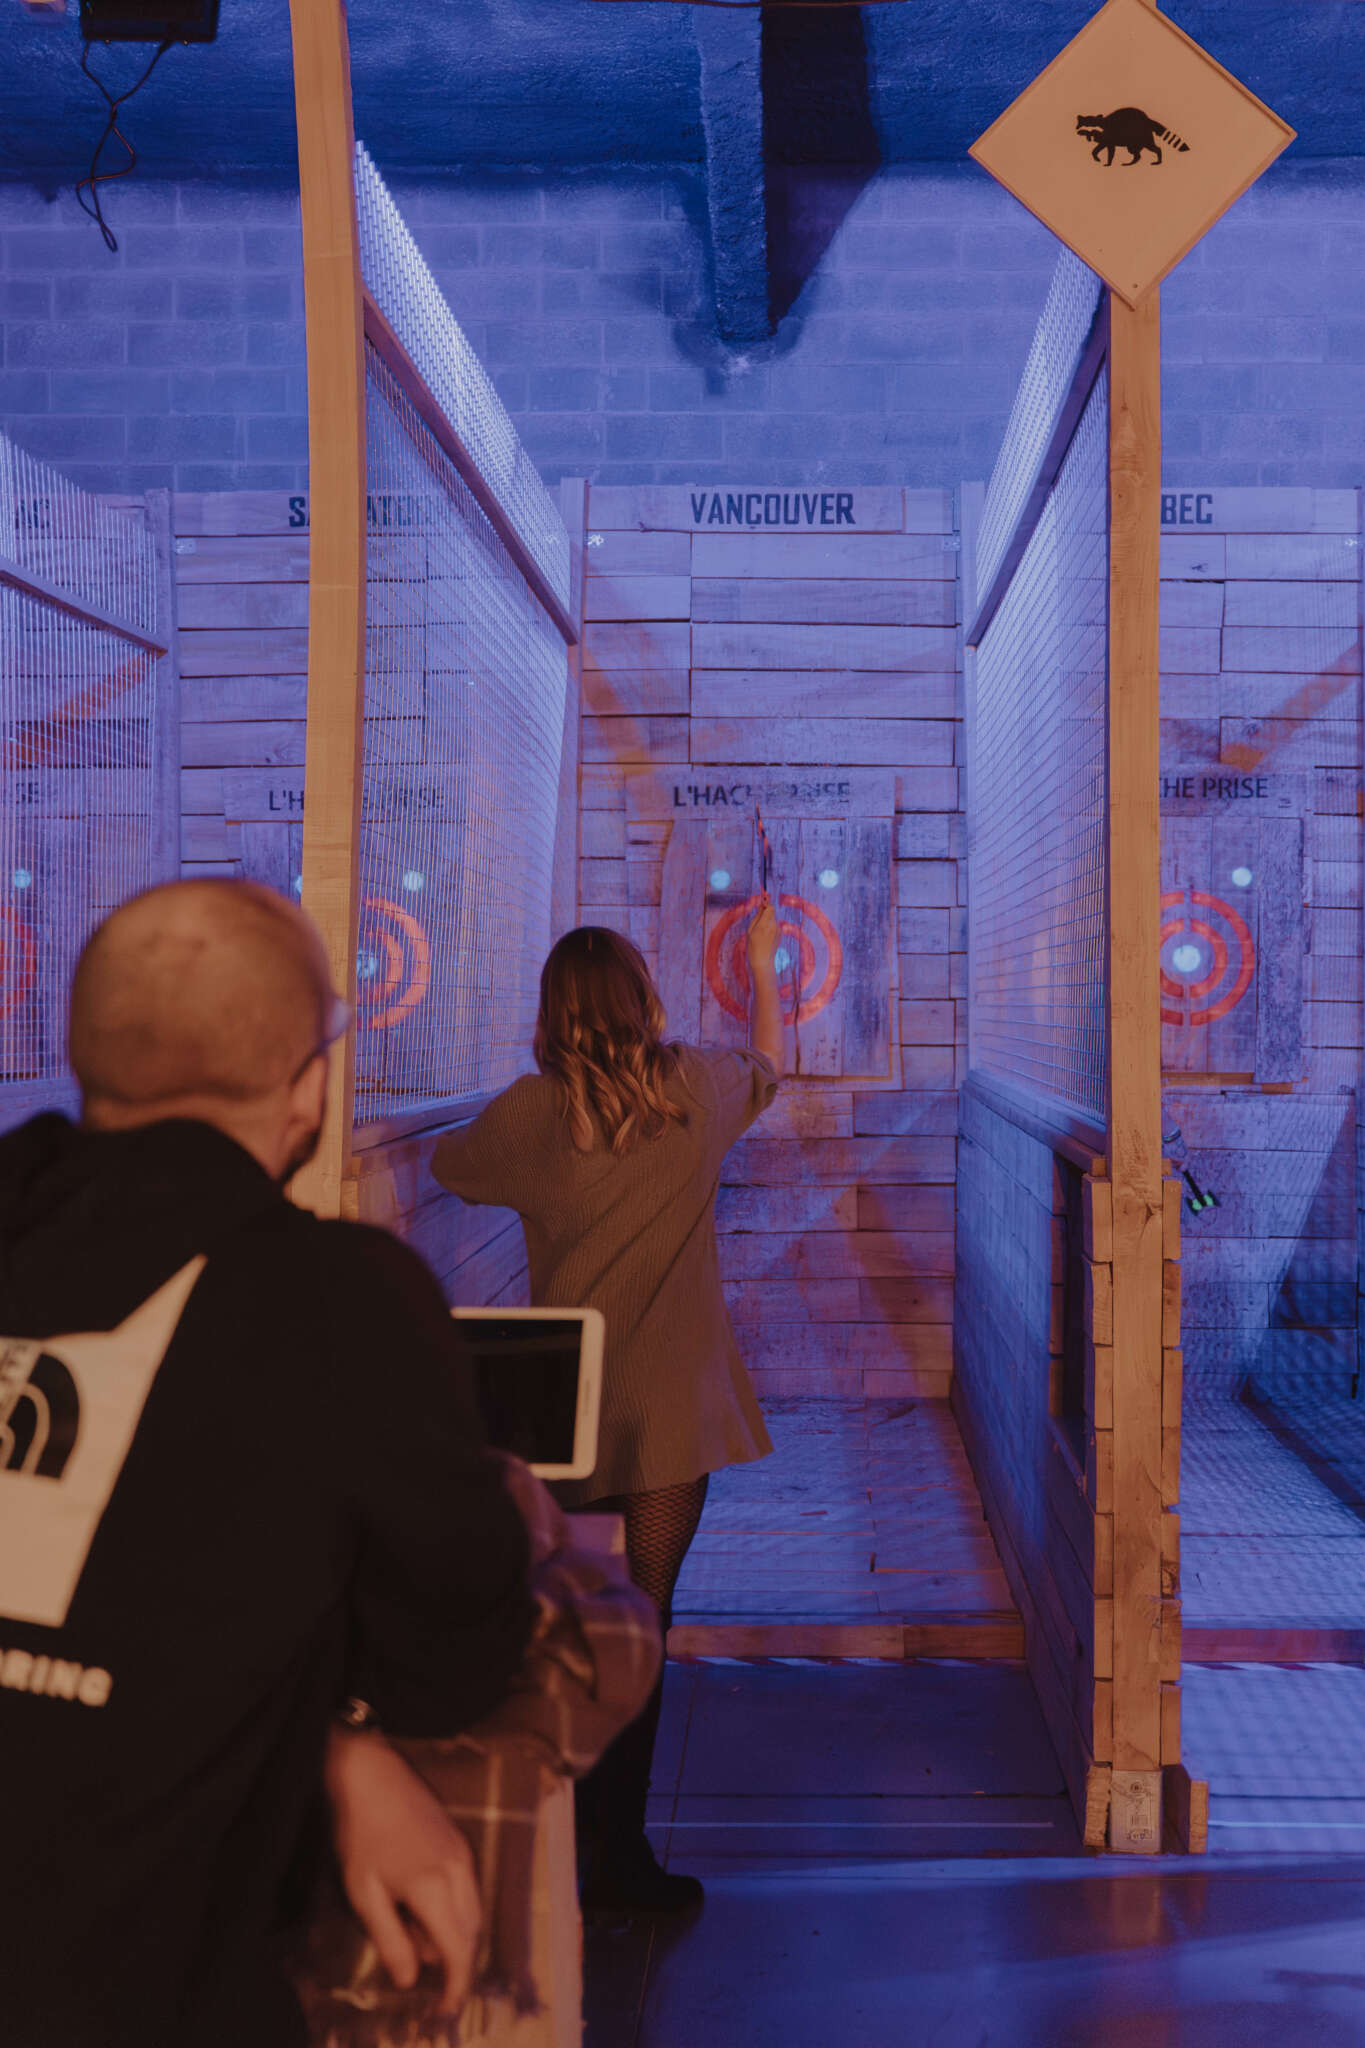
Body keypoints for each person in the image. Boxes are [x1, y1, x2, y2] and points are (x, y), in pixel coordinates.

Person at [0, 879, 539, 2048]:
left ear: (85, 1054)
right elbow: (455, 1657)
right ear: (308, 1088)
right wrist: (346, 1731)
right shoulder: (341, 1300)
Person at [432, 901, 784, 1913]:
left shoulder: (530, 1114)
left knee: (569, 1627)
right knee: (643, 1623)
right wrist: (761, 965)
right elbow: (768, 1062)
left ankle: (549, 1843)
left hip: (568, 1408)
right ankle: (619, 1860)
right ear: (642, 1000)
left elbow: (450, 1168)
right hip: (669, 1410)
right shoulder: (694, 1090)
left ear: (554, 1013)